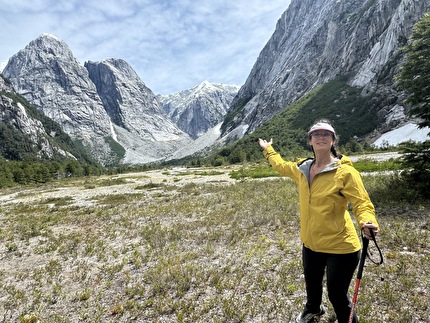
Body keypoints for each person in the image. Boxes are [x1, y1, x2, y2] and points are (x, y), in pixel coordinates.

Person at [258, 120, 379, 323]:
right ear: (310, 141)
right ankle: (313, 309)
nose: (321, 137)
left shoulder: (346, 173)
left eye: (326, 134)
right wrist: (268, 149)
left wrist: (367, 221)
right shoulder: (302, 170)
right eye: (316, 134)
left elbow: (361, 203)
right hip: (311, 243)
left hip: (341, 246)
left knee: (338, 296)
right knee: (312, 286)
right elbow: (280, 165)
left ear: (333, 140)